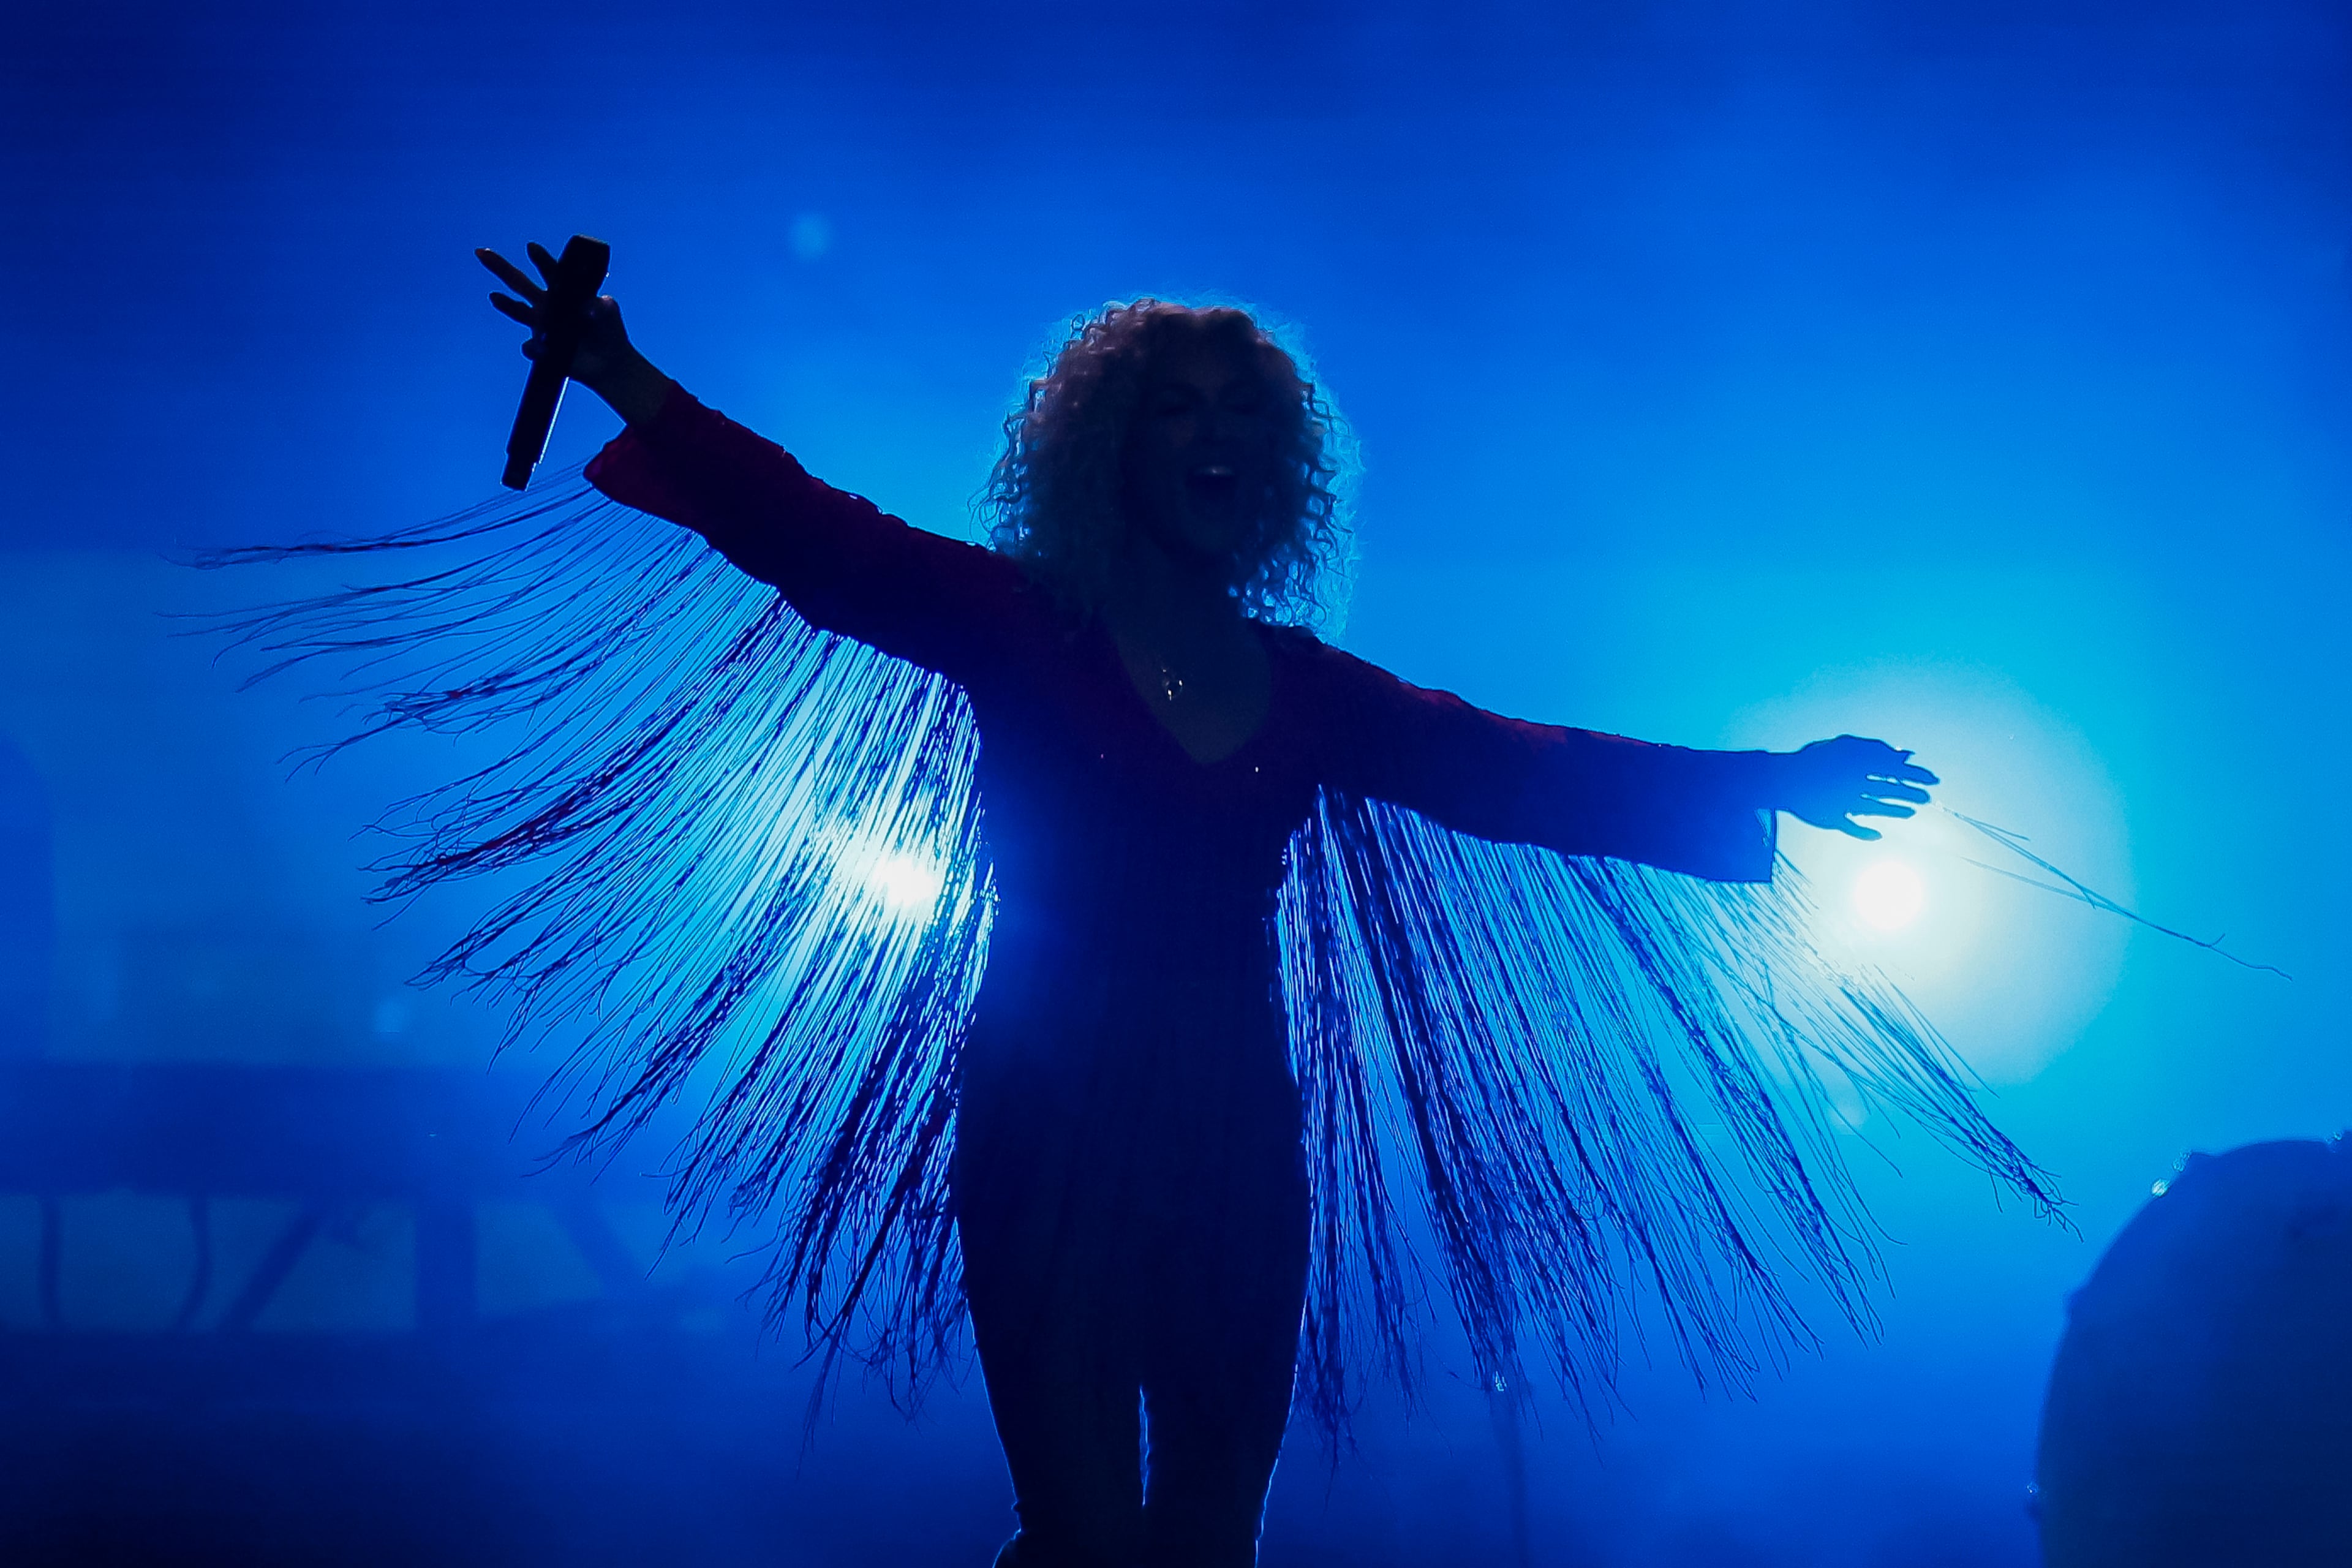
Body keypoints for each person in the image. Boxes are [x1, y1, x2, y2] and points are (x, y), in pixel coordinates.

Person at [476, 244, 1939, 1568]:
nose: (1219, 435)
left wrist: (1771, 777)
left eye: (1244, 412)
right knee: (1087, 1538)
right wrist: (622, 373)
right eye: (1181, 407)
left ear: (1283, 460)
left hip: (1239, 1128)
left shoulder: (1307, 691)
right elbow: (818, 534)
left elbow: (1512, 768)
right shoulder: (1025, 626)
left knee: (1207, 1546)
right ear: (1111, 445)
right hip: (1052, 1116)